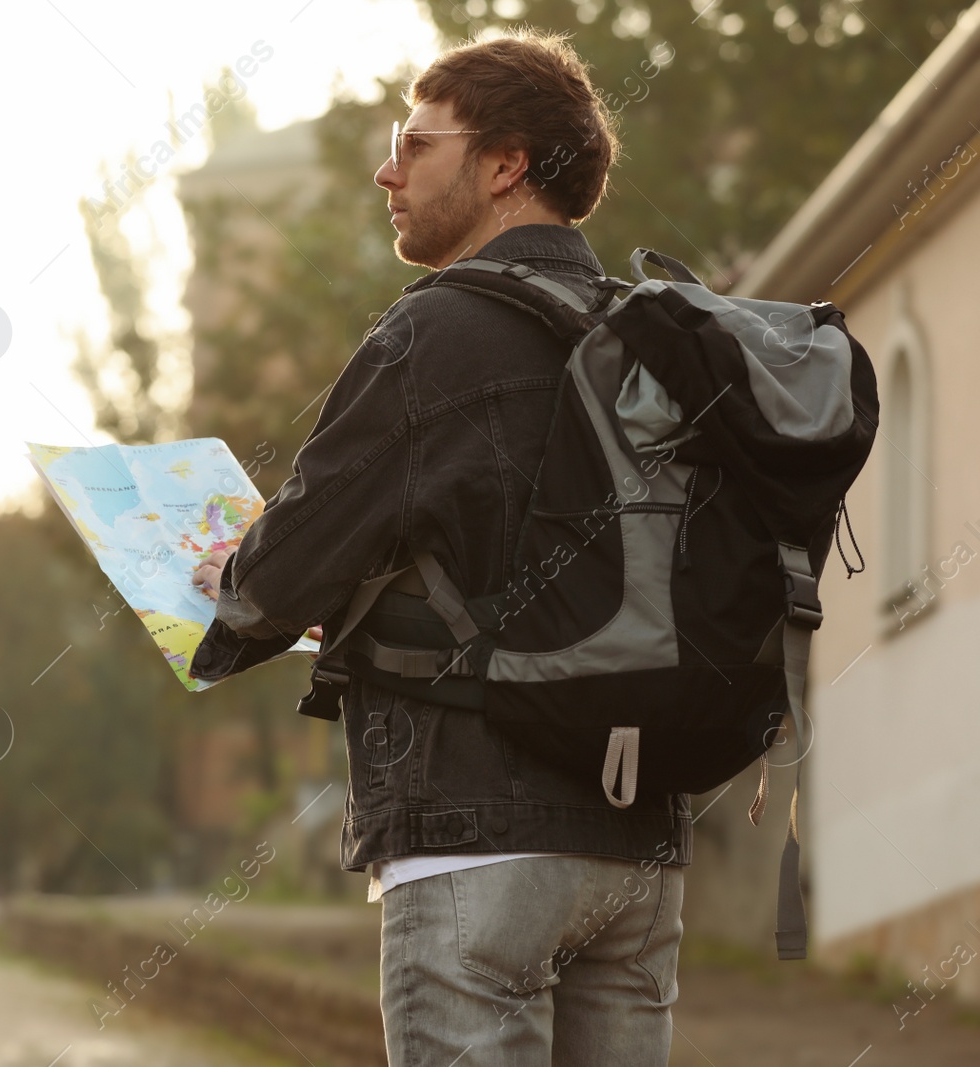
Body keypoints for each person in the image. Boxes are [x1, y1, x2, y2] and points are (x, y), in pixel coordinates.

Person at [189, 29, 690, 1067]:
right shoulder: (647, 335)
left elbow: (276, 580)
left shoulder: (433, 335)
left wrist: (231, 579)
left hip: (474, 841)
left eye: (415, 145)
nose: (387, 168)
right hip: (639, 846)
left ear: (504, 165)